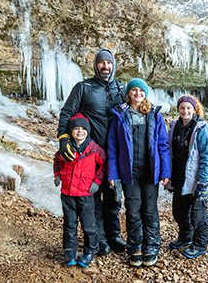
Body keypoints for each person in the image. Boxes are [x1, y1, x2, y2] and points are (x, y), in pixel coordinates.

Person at [57, 48, 126, 255]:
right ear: (96, 65)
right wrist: (63, 138)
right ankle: (100, 239)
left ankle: (114, 235)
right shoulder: (84, 87)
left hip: (114, 153)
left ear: (113, 66)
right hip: (90, 154)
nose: (105, 67)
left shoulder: (121, 88)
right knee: (93, 198)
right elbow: (67, 113)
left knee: (113, 195)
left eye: (109, 63)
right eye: (102, 63)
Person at [107, 78, 171, 267]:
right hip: (129, 174)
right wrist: (113, 174)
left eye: (141, 91)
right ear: (128, 93)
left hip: (151, 172)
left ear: (145, 93)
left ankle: (151, 245)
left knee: (150, 210)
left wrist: (165, 171)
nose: (137, 93)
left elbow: (163, 145)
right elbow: (112, 147)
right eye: (134, 90)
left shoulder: (154, 114)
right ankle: (135, 245)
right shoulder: (119, 115)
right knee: (133, 210)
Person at [53, 113, 106, 267]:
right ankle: (70, 250)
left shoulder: (93, 148)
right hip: (68, 192)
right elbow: (57, 159)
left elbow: (105, 163)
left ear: (88, 131)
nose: (80, 131)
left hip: (86, 193)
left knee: (89, 224)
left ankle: (90, 250)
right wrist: (57, 174)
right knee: (69, 223)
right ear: (71, 131)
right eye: (76, 128)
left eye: (83, 129)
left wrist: (97, 180)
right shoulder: (67, 147)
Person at [167, 95, 208, 259]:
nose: (185, 111)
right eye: (182, 108)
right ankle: (185, 236)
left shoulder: (201, 129)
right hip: (179, 177)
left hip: (196, 180)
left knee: (198, 214)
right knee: (178, 211)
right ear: (178, 109)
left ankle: (200, 243)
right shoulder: (174, 127)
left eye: (188, 108)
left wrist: (203, 183)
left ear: (194, 109)